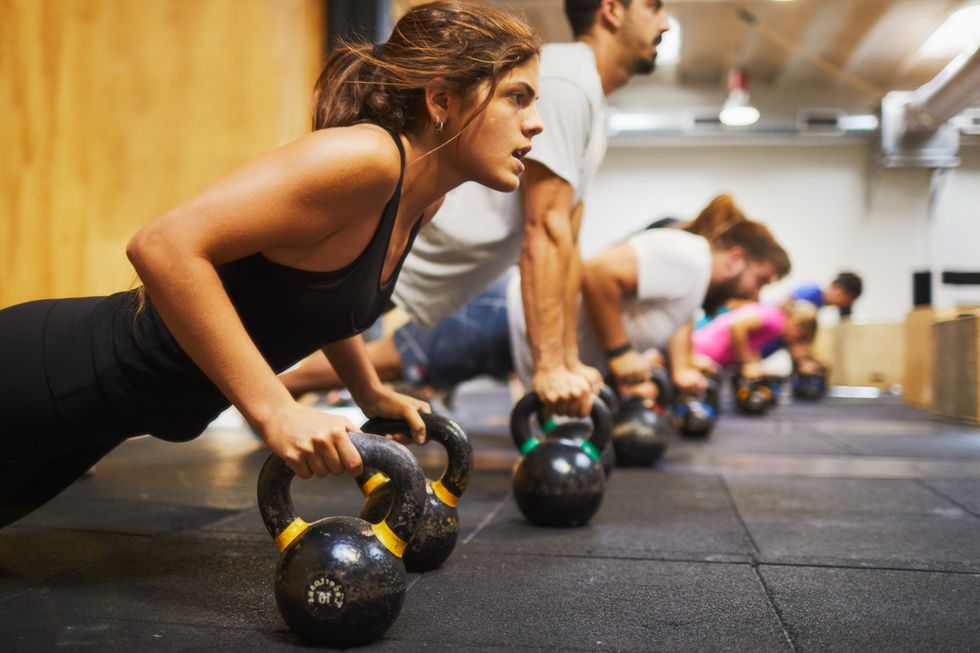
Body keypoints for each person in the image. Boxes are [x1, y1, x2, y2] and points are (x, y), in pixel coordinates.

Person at [0, 2, 543, 528]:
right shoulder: (365, 159)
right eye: (517, 98)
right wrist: (274, 411)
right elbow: (162, 246)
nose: (535, 124)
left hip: (103, 417)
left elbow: (324, 300)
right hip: (50, 374)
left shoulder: (421, 198)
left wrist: (368, 390)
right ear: (441, 100)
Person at [389, 0, 672, 418]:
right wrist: (548, 368)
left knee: (324, 355)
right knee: (294, 347)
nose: (664, 22)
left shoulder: (587, 94)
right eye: (653, 7)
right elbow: (546, 229)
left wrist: (569, 359)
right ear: (611, 10)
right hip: (414, 252)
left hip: (445, 266)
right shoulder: (568, 82)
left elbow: (569, 241)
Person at [280, 213, 789, 404]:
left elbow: (664, 320)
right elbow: (598, 274)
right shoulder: (689, 256)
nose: (756, 294)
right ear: (738, 258)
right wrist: (618, 354)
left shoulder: (694, 274)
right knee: (384, 363)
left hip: (518, 334)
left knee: (386, 364)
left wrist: (669, 364)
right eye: (760, 280)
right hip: (505, 317)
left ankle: (276, 393)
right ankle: (271, 392)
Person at [692, 300, 818, 381]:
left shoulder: (774, 319)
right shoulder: (776, 321)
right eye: (800, 337)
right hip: (703, 352)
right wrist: (746, 362)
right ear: (797, 324)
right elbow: (736, 326)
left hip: (703, 349)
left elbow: (752, 346)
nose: (795, 340)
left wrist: (756, 364)